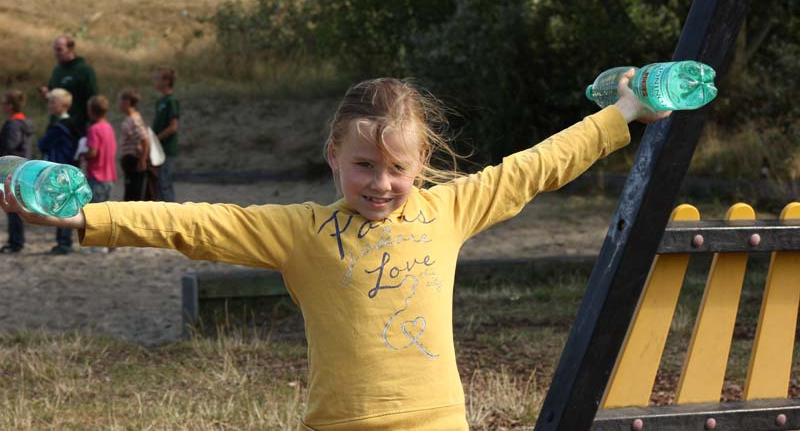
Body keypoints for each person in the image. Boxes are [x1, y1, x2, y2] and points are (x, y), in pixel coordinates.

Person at [0, 73, 668, 429]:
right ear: (333, 157)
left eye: (398, 168)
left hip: (438, 422)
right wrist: (84, 214)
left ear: (422, 163)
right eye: (364, 165)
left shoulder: (450, 208)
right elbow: (196, 224)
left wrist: (623, 114)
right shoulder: (302, 231)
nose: (381, 184)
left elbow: (536, 166)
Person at [37, 88, 81, 254]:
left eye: (53, 101)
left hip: (60, 170)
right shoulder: (74, 124)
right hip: (70, 168)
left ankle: (64, 242)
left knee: (61, 206)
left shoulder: (60, 127)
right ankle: (64, 241)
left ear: (63, 105)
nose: (50, 104)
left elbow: (43, 144)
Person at [38, 35, 99, 136]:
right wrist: (47, 93)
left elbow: (93, 98)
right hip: (56, 123)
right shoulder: (57, 70)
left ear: (71, 49)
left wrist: (91, 122)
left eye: (59, 50)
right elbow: (52, 91)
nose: (56, 53)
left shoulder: (84, 71)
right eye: (55, 50)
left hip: (76, 125)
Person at [0, 90, 34, 253]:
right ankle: (15, 241)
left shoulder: (13, 125)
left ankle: (15, 243)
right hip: (21, 170)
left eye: (3, 102)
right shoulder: (24, 122)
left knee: (12, 207)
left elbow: (10, 147)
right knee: (15, 206)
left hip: (11, 171)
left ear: (10, 106)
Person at [151, 66, 180, 202]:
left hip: (167, 148)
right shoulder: (160, 102)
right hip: (159, 148)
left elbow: (173, 127)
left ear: (167, 82)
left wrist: (156, 139)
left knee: (165, 182)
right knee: (158, 182)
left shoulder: (171, 101)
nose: (155, 82)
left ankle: (171, 210)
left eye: (158, 79)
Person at [84, 95, 117, 203]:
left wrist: (82, 154)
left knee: (94, 210)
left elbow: (93, 152)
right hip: (109, 177)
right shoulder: (108, 127)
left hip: (96, 177)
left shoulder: (94, 129)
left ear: (91, 111)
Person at [117, 89, 149, 201]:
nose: (118, 104)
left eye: (120, 101)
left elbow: (145, 140)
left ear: (127, 102)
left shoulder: (133, 120)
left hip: (134, 160)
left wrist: (142, 161)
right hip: (130, 160)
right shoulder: (131, 119)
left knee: (133, 195)